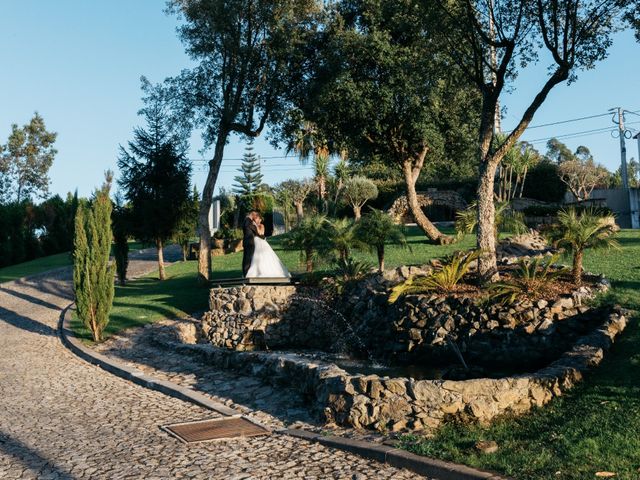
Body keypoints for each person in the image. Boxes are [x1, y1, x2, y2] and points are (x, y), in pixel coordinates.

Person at [243, 212, 290, 279]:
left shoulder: (261, 225)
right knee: (254, 257)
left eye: (259, 219)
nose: (258, 220)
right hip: (254, 242)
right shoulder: (251, 223)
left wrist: (256, 226)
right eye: (257, 219)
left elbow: (261, 233)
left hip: (260, 241)